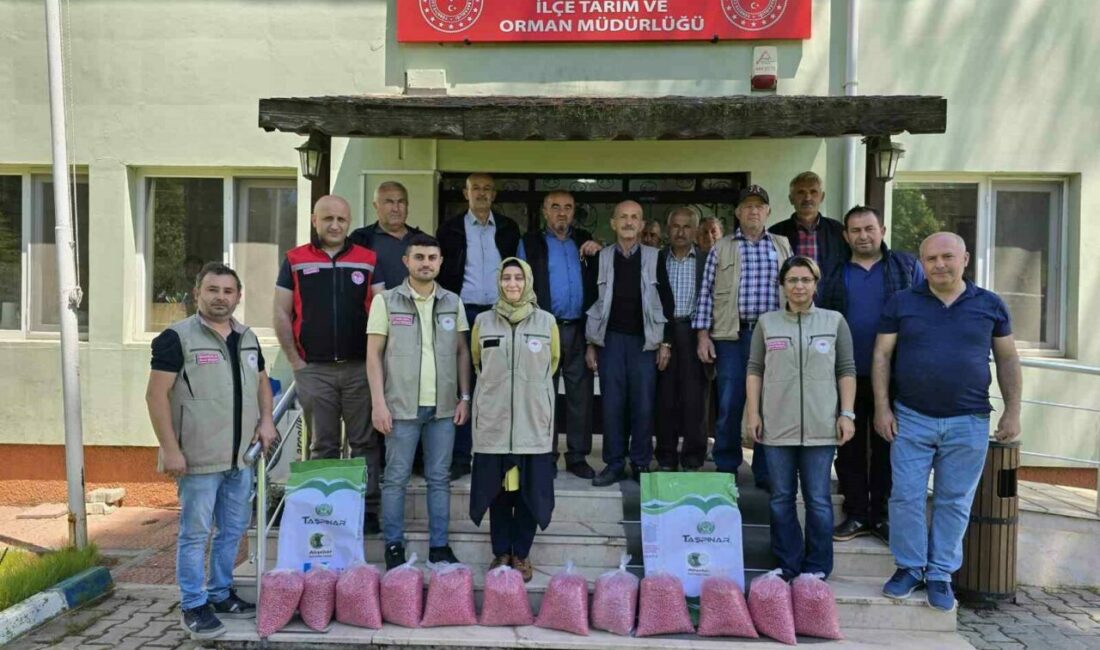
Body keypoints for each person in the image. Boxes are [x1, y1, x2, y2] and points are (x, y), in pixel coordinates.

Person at [875, 232, 1021, 612]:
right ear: (921, 263)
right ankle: (909, 567)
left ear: (965, 259)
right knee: (905, 495)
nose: (939, 264)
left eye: (946, 257)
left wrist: (1013, 410)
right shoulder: (903, 302)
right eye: (930, 258)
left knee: (954, 501)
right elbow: (881, 355)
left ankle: (940, 574)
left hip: (969, 421)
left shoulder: (990, 305)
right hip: (912, 417)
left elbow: (1007, 359)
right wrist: (882, 408)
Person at [146, 262, 277, 640]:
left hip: (242, 457)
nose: (220, 297)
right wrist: (170, 449)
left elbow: (262, 384)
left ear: (238, 296)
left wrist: (267, 420)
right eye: (213, 290)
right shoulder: (177, 338)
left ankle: (220, 593)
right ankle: (193, 604)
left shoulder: (248, 337)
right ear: (197, 293)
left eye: (228, 291)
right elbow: (156, 395)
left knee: (233, 529)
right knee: (195, 532)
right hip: (198, 458)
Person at [273, 195, 384, 533]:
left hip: (357, 368)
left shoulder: (368, 259)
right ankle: (324, 509)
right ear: (314, 220)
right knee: (323, 443)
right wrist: (295, 361)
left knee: (364, 442)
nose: (335, 225)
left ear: (349, 222)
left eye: (341, 219)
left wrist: (375, 363)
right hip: (314, 370)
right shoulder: (295, 259)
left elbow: (381, 312)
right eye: (328, 219)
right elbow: (281, 312)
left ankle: (366, 510)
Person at [745, 256, 856, 579]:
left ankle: (818, 567)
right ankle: (787, 563)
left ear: (815, 284)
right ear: (782, 286)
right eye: (792, 280)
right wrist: (753, 413)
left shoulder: (834, 321)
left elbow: (846, 370)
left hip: (822, 426)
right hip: (777, 425)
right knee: (781, 498)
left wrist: (846, 414)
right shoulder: (768, 323)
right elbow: (755, 370)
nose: (799, 286)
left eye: (805, 280)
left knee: (818, 499)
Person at [366, 233, 472, 569]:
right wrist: (378, 403)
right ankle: (393, 545)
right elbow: (373, 354)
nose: (426, 263)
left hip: (442, 407)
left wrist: (465, 397)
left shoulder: (453, 302)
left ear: (440, 262)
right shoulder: (386, 301)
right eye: (419, 257)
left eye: (432, 257)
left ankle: (439, 546)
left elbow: (461, 352)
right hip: (400, 407)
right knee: (395, 477)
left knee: (439, 478)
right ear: (406, 262)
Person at [820, 206, 924, 544]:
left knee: (887, 445)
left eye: (869, 228)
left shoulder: (906, 267)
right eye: (855, 230)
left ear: (882, 228)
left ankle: (879, 515)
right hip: (845, 373)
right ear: (846, 235)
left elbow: (926, 311)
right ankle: (855, 514)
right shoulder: (834, 272)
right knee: (847, 446)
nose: (863, 236)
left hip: (896, 373)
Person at [694, 185, 792, 488]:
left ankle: (764, 470)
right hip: (732, 338)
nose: (753, 211)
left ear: (768, 212)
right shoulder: (722, 247)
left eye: (759, 206)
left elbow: (796, 289)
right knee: (730, 402)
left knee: (769, 404)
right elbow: (706, 294)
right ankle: (726, 468)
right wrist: (703, 336)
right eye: (747, 206)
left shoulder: (782, 245)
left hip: (773, 338)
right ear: (737, 213)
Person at [469, 258, 559, 581]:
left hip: (531, 421)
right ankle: (500, 553)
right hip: (494, 421)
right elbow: (477, 363)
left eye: (518, 278)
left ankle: (521, 554)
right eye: (506, 278)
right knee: (497, 492)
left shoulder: (546, 322)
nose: (512, 284)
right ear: (499, 282)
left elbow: (553, 363)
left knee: (528, 493)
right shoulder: (483, 321)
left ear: (528, 281)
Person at [436, 173, 521, 480]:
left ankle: (497, 456)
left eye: (487, 189)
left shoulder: (509, 229)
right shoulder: (449, 230)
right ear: (465, 193)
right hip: (462, 314)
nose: (482, 193)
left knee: (500, 385)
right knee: (462, 387)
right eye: (476, 188)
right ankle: (460, 457)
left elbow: (518, 271)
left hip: (499, 316)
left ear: (494, 194)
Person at [585, 200, 674, 486]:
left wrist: (666, 343)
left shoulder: (655, 257)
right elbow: (592, 302)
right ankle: (613, 464)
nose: (628, 222)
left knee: (643, 404)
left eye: (634, 217)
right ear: (612, 223)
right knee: (612, 404)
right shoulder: (602, 257)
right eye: (622, 217)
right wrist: (591, 343)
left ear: (642, 224)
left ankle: (640, 463)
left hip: (644, 342)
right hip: (610, 341)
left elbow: (666, 301)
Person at [517, 190, 601, 478]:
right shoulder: (530, 243)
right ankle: (545, 455)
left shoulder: (585, 241)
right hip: (542, 330)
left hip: (579, 329)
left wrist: (598, 251)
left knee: (581, 396)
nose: (562, 213)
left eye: (568, 207)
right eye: (555, 207)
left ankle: (577, 457)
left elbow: (602, 280)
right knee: (543, 396)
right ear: (544, 211)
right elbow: (517, 285)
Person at [655, 207, 707, 471]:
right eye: (675, 226)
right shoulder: (656, 259)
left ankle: (693, 456)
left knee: (694, 398)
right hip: (664, 331)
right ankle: (665, 456)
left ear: (696, 231)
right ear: (668, 229)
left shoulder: (707, 260)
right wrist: (662, 338)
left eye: (687, 226)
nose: (680, 231)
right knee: (665, 398)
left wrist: (705, 334)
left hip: (695, 331)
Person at [768, 171, 846, 278]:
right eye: (801, 192)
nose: (807, 198)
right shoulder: (775, 233)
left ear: (822, 197)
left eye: (813, 192)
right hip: (789, 294)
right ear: (791, 199)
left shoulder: (838, 231)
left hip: (829, 295)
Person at [350, 181, 424, 290]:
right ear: (376, 205)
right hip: (374, 306)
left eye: (401, 202)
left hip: (415, 306)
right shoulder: (361, 239)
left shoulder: (421, 240)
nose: (396, 208)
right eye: (389, 202)